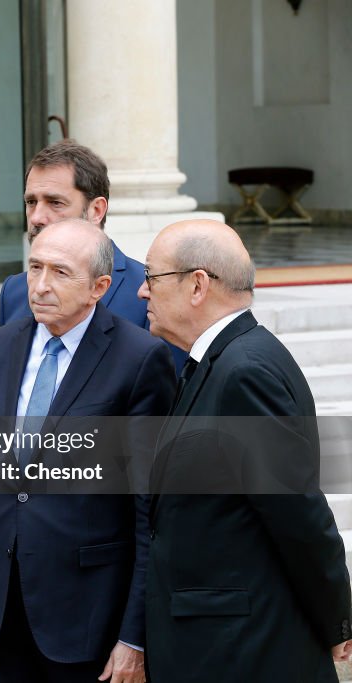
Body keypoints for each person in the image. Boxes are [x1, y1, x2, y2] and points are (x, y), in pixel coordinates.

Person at [0, 219, 175, 683]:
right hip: (5, 610)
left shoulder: (139, 359)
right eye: (34, 267)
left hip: (89, 616)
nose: (40, 285)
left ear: (98, 286)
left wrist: (134, 636)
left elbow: (147, 511)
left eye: (59, 272)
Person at [140, 219, 352, 682]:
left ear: (197, 285)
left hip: (240, 651)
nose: (141, 292)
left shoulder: (243, 373)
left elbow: (299, 515)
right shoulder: (221, 361)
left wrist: (336, 617)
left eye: (151, 277)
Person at [0, 139, 147, 329]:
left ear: (96, 210)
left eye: (55, 203)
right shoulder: (14, 291)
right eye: (31, 202)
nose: (36, 218)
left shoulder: (146, 292)